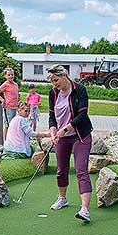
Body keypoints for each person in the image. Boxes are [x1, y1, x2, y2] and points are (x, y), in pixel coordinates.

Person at [47, 64, 93, 222]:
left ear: (64, 75)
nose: (55, 84)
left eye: (56, 79)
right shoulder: (53, 93)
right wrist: (53, 133)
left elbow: (82, 115)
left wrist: (64, 129)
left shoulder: (79, 90)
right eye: (52, 81)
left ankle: (85, 210)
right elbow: (52, 116)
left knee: (81, 170)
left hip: (80, 135)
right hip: (62, 137)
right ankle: (62, 198)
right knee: (61, 170)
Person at [0, 67, 19, 140]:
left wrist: (19, 101)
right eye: (9, 75)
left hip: (15, 107)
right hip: (9, 107)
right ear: (5, 76)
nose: (11, 76)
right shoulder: (5, 84)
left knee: (14, 124)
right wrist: (2, 100)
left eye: (12, 74)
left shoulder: (15, 84)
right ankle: (6, 140)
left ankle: (12, 139)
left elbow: (16, 94)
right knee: (8, 124)